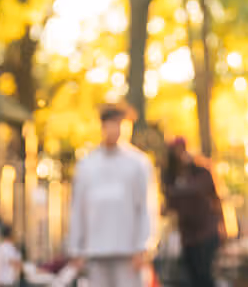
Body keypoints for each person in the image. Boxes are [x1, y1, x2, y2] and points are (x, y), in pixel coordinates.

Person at [68, 101, 157, 287]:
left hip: (129, 251)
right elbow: (78, 208)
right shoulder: (87, 165)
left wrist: (144, 246)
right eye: (112, 124)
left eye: (121, 125)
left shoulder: (139, 163)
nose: (116, 130)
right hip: (96, 250)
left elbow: (147, 207)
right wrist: (75, 248)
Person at [161, 138, 224, 287]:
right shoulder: (171, 176)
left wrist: (225, 226)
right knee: (193, 277)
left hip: (207, 232)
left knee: (206, 276)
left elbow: (216, 199)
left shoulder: (202, 172)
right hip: (188, 235)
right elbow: (169, 204)